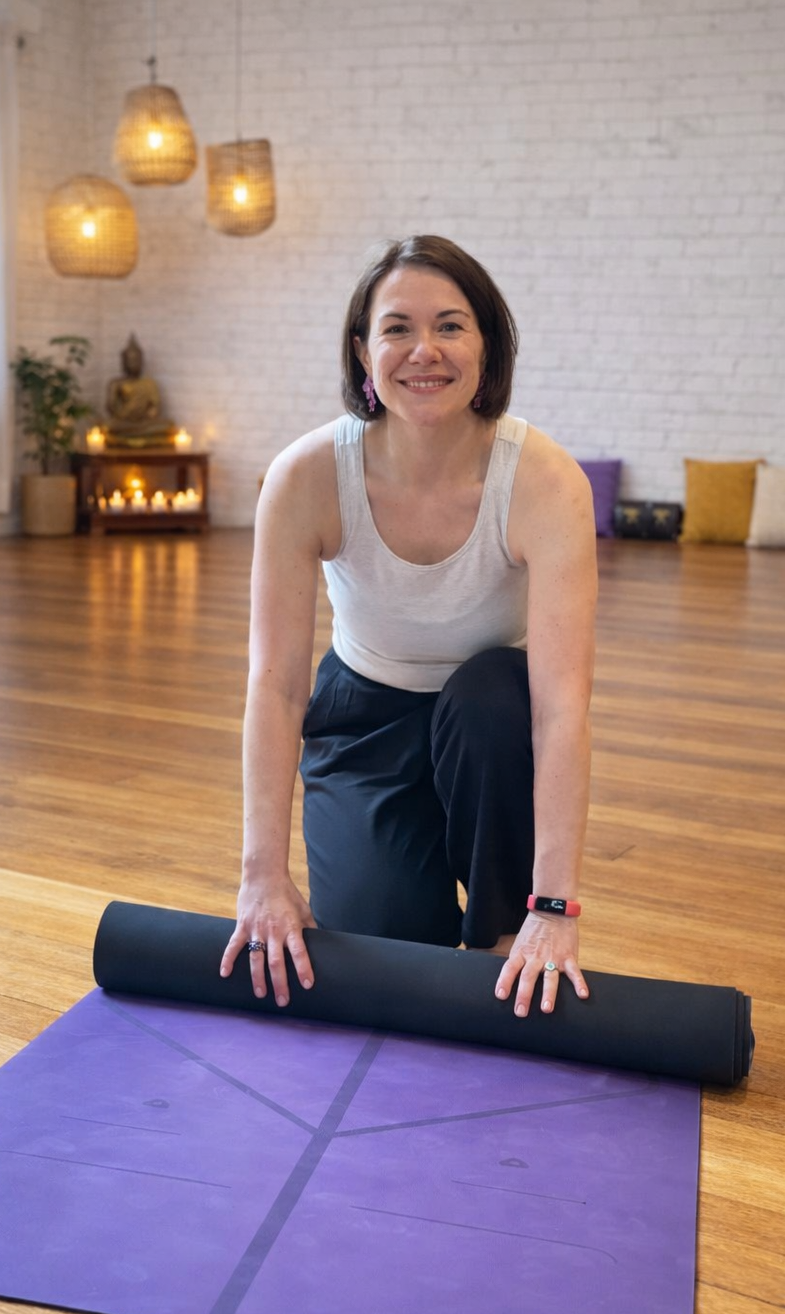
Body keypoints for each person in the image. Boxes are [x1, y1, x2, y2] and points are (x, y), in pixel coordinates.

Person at [219, 235, 597, 1019]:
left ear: (487, 348)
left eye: (451, 326)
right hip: (363, 715)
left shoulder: (545, 479)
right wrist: (263, 872)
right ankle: (408, 901)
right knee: (387, 949)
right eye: (397, 328)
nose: (424, 350)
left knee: (494, 693)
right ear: (363, 351)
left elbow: (560, 707)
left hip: (491, 720)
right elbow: (278, 685)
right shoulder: (305, 475)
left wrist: (552, 908)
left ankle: (499, 932)